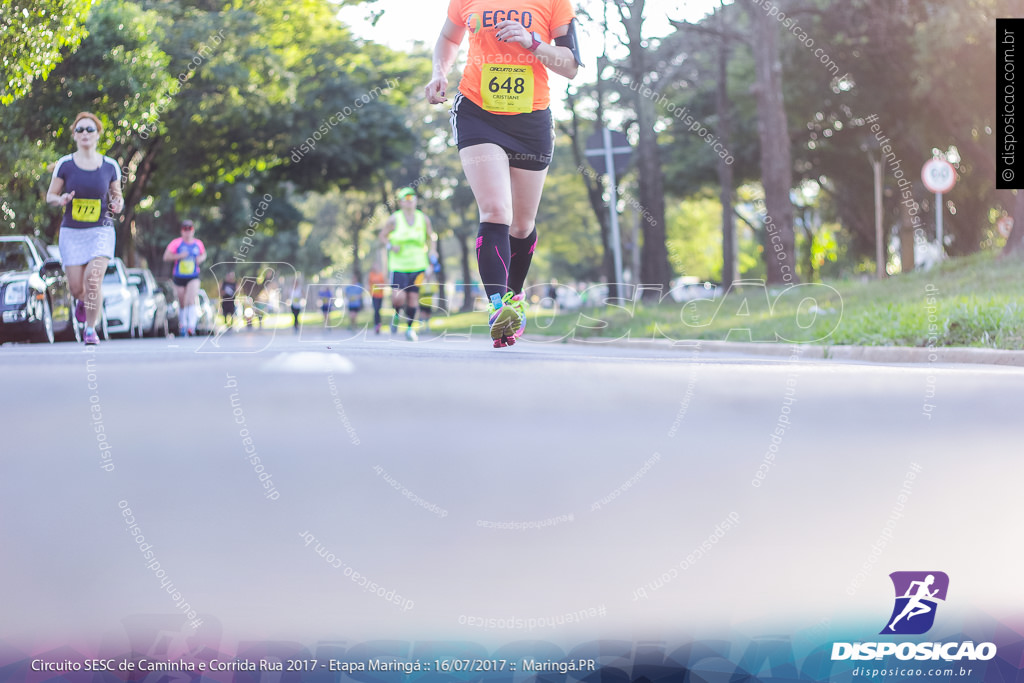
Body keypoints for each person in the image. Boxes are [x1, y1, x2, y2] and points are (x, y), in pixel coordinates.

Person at [426, 0, 581, 347]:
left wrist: (531, 41)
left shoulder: (556, 3)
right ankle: (498, 308)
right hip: (477, 112)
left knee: (521, 225)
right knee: (496, 211)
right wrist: (439, 72)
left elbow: (570, 66)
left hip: (531, 119)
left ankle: (513, 299)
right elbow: (449, 39)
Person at [45, 111, 124, 345]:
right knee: (77, 287)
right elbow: (50, 195)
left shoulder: (110, 166)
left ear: (98, 134)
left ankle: (91, 329)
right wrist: (59, 200)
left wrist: (117, 204)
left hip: (101, 231)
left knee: (93, 279)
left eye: (90, 129)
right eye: (80, 129)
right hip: (72, 233)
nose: (85, 133)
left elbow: (117, 197)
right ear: (75, 136)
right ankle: (83, 301)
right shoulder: (65, 164)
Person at [377, 187, 438, 341]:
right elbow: (383, 236)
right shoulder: (394, 219)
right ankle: (397, 313)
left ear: (416, 201)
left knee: (412, 297)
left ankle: (411, 329)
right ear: (401, 202)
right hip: (398, 265)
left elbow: (432, 237)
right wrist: (391, 245)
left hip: (418, 264)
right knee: (398, 297)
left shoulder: (423, 219)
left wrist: (433, 251)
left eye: (412, 198)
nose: (410, 201)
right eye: (406, 199)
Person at [163, 219, 206, 336]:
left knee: (190, 299)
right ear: (182, 231)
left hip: (193, 276)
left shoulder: (198, 244)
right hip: (179, 276)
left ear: (193, 231)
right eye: (185, 229)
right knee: (182, 301)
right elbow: (166, 257)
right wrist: (179, 256)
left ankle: (191, 326)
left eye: (190, 229)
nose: (187, 232)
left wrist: (200, 259)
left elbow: (203, 254)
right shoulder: (176, 243)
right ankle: (183, 325)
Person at [367, 262, 388, 334]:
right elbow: (369, 284)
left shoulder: (381, 275)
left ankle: (378, 324)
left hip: (380, 295)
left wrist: (380, 286)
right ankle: (376, 325)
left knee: (378, 310)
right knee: (376, 310)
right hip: (374, 295)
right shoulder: (371, 274)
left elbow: (385, 284)